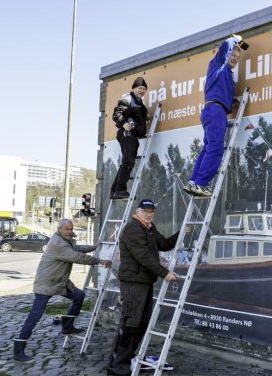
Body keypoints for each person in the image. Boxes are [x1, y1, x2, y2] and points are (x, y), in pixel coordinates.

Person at [13, 219, 112, 363]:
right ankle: (19, 349)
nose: (70, 231)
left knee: (79, 296)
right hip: (47, 283)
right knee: (35, 315)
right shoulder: (58, 243)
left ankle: (68, 326)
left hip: (60, 281)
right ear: (59, 229)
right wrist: (99, 261)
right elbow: (76, 256)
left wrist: (94, 246)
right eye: (67, 229)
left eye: (71, 229)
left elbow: (77, 248)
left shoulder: (65, 239)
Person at [107, 199, 182, 375]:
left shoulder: (149, 227)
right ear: (137, 211)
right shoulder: (133, 228)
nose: (149, 214)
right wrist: (165, 273)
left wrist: (181, 233)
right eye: (145, 211)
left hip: (144, 281)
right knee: (131, 321)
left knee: (142, 321)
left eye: (151, 211)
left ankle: (128, 356)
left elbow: (164, 245)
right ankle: (115, 364)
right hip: (133, 282)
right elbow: (143, 256)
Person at [184, 34, 248, 197]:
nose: (235, 58)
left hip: (213, 110)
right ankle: (201, 183)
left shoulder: (225, 74)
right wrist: (237, 39)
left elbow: (219, 91)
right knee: (216, 148)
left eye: (238, 57)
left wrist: (231, 100)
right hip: (215, 111)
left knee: (208, 148)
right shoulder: (218, 65)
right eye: (233, 55)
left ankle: (194, 182)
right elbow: (226, 45)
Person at [110, 77, 149, 200]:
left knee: (127, 162)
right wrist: (124, 123)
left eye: (144, 89)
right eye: (139, 88)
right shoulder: (128, 99)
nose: (142, 90)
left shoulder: (140, 103)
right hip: (127, 134)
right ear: (134, 88)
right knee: (128, 162)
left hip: (133, 136)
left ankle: (114, 190)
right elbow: (116, 114)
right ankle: (120, 190)